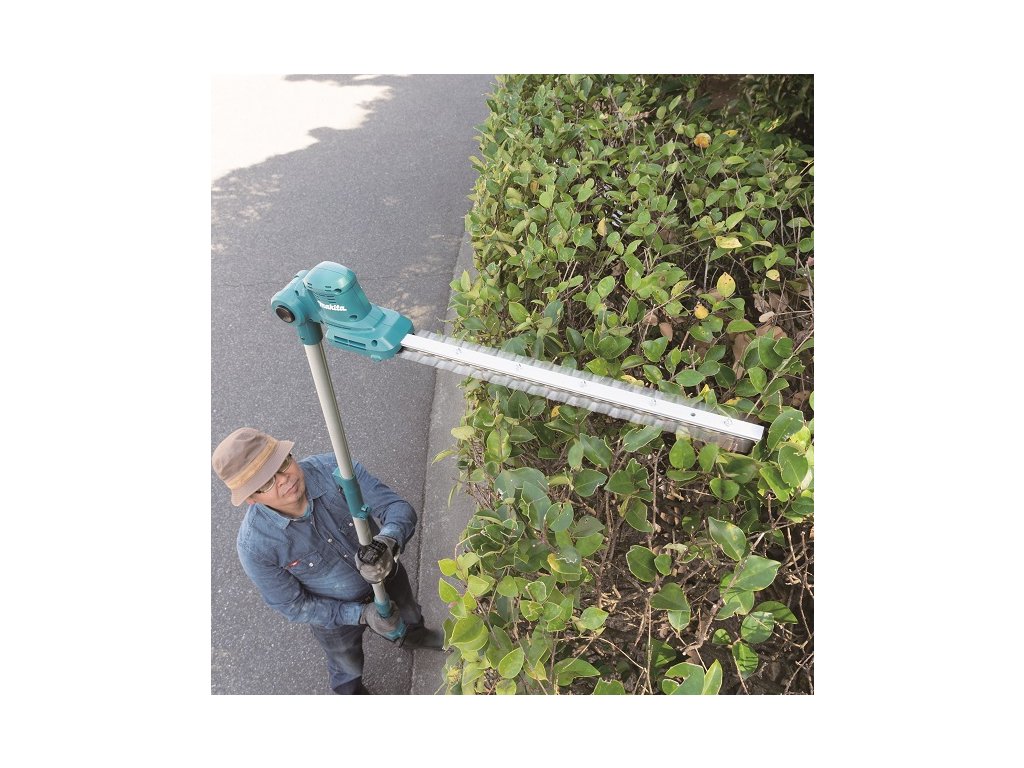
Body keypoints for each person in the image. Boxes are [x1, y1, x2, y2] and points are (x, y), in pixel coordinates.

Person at [212, 427, 443, 694]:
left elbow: (397, 508)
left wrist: (386, 542)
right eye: (266, 483)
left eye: (282, 463)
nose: (284, 480)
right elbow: (293, 605)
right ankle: (351, 692)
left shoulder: (335, 468)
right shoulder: (255, 547)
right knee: (346, 665)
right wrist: (362, 615)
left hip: (387, 572)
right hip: (335, 615)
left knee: (410, 614)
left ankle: (414, 637)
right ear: (251, 499)